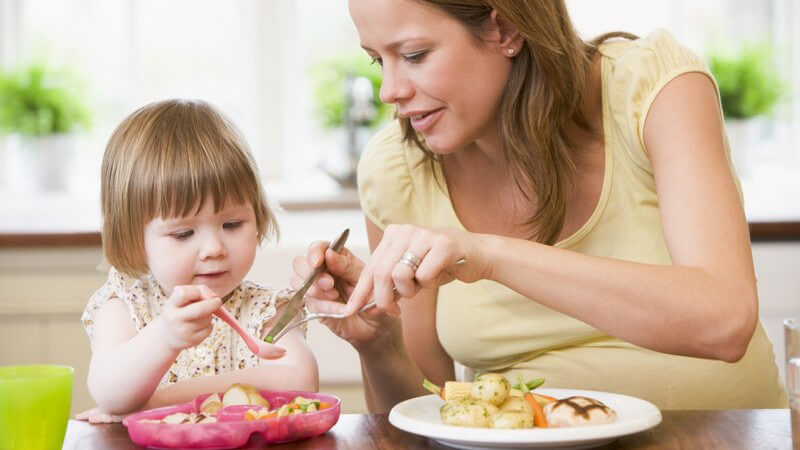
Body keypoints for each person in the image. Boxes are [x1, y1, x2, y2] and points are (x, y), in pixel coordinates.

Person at [293, 0, 788, 412]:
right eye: (379, 60)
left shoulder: (653, 88)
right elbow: (435, 413)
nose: (389, 92)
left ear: (505, 27)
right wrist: (378, 343)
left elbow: (724, 321)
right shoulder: (399, 170)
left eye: (416, 55)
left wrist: (488, 255)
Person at [77, 99, 318, 423]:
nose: (214, 248)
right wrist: (165, 337)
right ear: (137, 240)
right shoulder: (125, 307)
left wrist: (158, 403)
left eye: (232, 225)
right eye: (184, 233)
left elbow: (300, 381)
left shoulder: (265, 311)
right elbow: (109, 393)